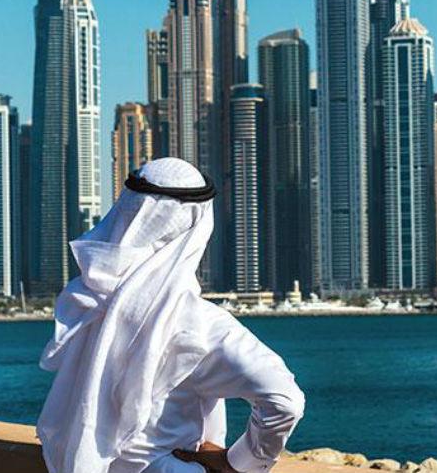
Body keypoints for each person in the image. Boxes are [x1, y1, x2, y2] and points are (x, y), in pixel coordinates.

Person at [36, 157, 305, 473]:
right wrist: (237, 462)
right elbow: (284, 402)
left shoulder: (86, 297)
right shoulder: (199, 324)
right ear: (199, 225)